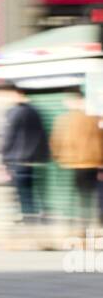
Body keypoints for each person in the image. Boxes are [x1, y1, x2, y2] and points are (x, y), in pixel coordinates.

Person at [49, 88, 103, 221]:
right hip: (94, 162)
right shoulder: (97, 118)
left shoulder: (63, 119)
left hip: (71, 163)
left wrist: (56, 156)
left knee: (81, 194)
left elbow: (55, 141)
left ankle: (82, 220)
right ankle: (94, 219)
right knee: (93, 194)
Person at [1, 86, 49, 223]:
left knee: (24, 194)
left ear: (17, 94)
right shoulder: (36, 111)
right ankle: (35, 217)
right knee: (33, 193)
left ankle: (29, 220)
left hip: (19, 159)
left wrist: (4, 159)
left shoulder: (14, 112)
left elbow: (8, 137)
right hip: (36, 160)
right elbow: (42, 136)